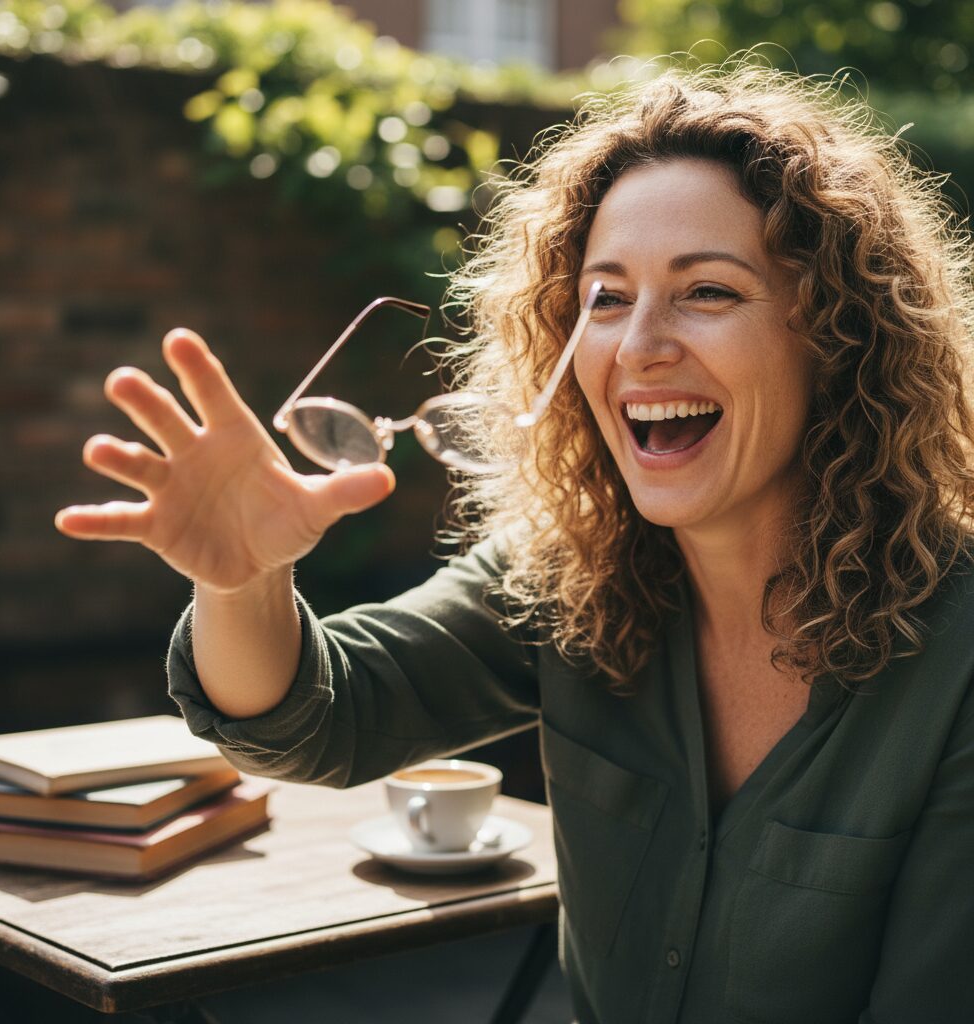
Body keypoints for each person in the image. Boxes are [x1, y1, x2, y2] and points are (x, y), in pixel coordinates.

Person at [55, 60, 974, 1023]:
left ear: (837, 335)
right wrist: (245, 579)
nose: (638, 345)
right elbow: (318, 718)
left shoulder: (954, 655)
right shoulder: (566, 573)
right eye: (605, 299)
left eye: (708, 291)